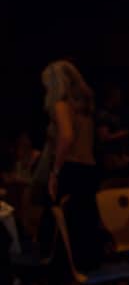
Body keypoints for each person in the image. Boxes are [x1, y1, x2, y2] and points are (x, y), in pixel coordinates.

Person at [40, 60, 113, 271]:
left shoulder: (61, 105)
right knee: (84, 228)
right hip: (88, 172)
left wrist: (55, 171)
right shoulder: (84, 108)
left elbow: (67, 136)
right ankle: (89, 284)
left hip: (70, 171)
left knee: (61, 231)